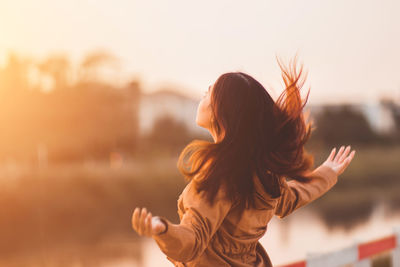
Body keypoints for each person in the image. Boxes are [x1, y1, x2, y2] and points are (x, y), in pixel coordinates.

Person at [131, 55, 356, 266]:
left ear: (225, 112)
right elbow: (290, 198)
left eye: (211, 91)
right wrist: (327, 172)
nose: (205, 92)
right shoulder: (263, 171)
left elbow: (193, 240)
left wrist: (163, 230)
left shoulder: (221, 176)